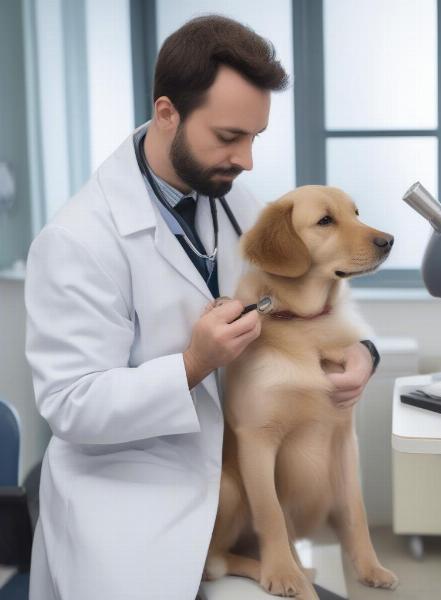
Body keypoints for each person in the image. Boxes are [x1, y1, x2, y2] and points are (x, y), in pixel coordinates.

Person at [25, 15, 379, 600]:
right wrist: (193, 363)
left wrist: (362, 353)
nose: (246, 160)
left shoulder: (231, 199)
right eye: (228, 136)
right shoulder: (78, 240)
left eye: (254, 138)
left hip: (231, 499)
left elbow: (309, 289)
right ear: (168, 112)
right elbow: (70, 404)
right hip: (133, 516)